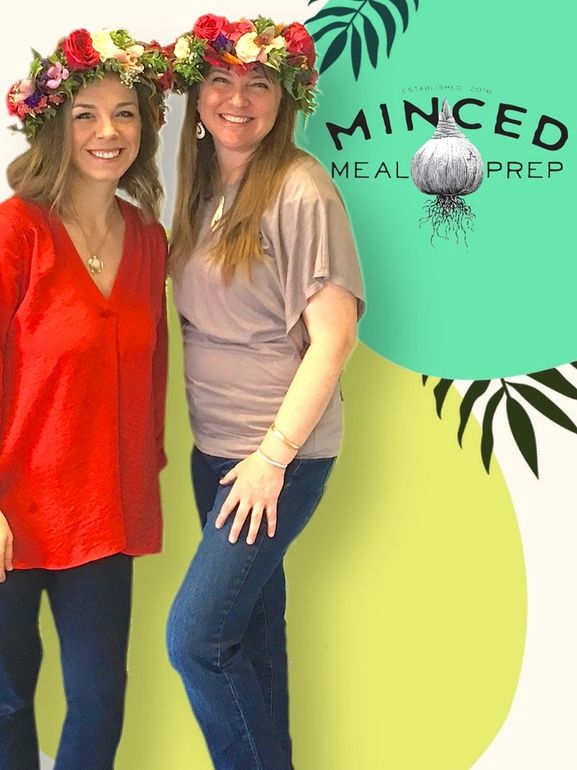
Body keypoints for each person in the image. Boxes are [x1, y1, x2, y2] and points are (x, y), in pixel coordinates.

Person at [166, 15, 365, 770]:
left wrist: (272, 460)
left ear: (285, 99)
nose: (237, 99)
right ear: (199, 92)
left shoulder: (300, 189)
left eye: (258, 84)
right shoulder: (203, 184)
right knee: (250, 638)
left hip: (273, 459)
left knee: (196, 641)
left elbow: (334, 339)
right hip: (213, 453)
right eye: (220, 80)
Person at [0, 28, 172, 770]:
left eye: (126, 113)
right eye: (85, 115)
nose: (109, 132)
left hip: (101, 508)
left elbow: (153, 371)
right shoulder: (16, 231)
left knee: (100, 703)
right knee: (6, 699)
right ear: (53, 127)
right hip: (10, 512)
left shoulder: (149, 238)